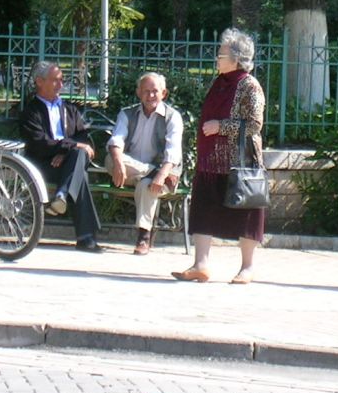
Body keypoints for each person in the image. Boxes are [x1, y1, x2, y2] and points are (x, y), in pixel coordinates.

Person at [172, 28, 265, 284]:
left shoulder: (249, 85)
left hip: (240, 162)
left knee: (246, 214)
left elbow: (255, 124)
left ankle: (247, 268)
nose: (217, 58)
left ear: (236, 59)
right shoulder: (219, 82)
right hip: (210, 161)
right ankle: (200, 265)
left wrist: (221, 127)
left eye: (221, 55)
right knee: (203, 209)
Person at [19, 61, 102, 252]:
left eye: (62, 80)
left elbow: (82, 137)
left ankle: (62, 195)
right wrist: (68, 147)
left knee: (78, 156)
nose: (60, 85)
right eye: (55, 80)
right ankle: (86, 237)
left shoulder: (69, 109)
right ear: (39, 81)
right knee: (79, 173)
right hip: (43, 165)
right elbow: (39, 143)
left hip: (68, 162)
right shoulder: (31, 112)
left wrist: (65, 153)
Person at [106, 72, 185, 255]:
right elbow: (116, 140)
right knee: (111, 159)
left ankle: (144, 236)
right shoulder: (127, 113)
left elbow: (173, 152)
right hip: (128, 171)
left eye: (155, 91)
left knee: (146, 185)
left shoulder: (172, 117)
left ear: (163, 93)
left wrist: (162, 173)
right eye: (146, 91)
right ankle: (152, 172)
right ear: (138, 93)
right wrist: (118, 162)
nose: (150, 96)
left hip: (162, 173)